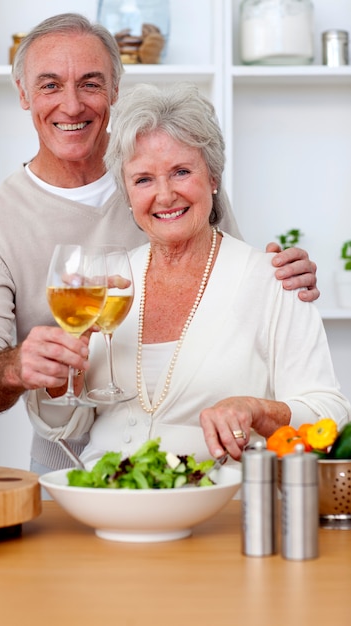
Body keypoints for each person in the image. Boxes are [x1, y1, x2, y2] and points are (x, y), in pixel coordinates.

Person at [0, 14, 320, 474]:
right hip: (69, 456)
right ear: (23, 94)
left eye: (90, 83)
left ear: (115, 90)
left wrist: (283, 277)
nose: (71, 105)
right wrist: (15, 366)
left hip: (202, 461)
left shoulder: (171, 165)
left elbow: (229, 287)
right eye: (49, 85)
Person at [27, 82, 350, 470]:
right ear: (127, 193)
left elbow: (329, 414)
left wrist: (255, 409)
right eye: (143, 179)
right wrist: (63, 372)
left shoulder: (273, 280)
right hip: (104, 498)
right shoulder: (110, 282)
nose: (164, 196)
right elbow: (67, 423)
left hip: (220, 506)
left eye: (181, 172)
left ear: (213, 178)